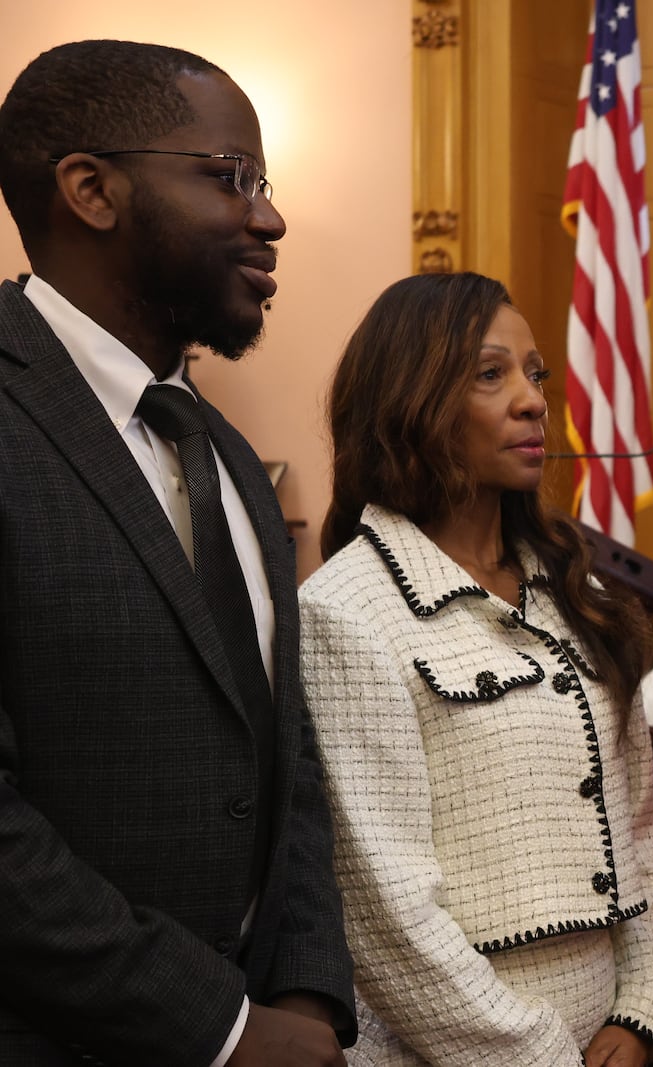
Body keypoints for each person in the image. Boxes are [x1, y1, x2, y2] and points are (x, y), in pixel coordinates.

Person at [0, 40, 355, 1066]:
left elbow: (286, 765)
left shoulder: (231, 458)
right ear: (91, 189)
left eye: (264, 182)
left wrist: (305, 990)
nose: (270, 216)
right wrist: (223, 1026)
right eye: (229, 178)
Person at [300, 271, 653, 1066]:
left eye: (535, 372)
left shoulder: (581, 590)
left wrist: (643, 1011)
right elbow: (386, 913)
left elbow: (640, 828)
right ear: (412, 398)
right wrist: (542, 1056)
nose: (533, 398)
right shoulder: (346, 609)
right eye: (490, 372)